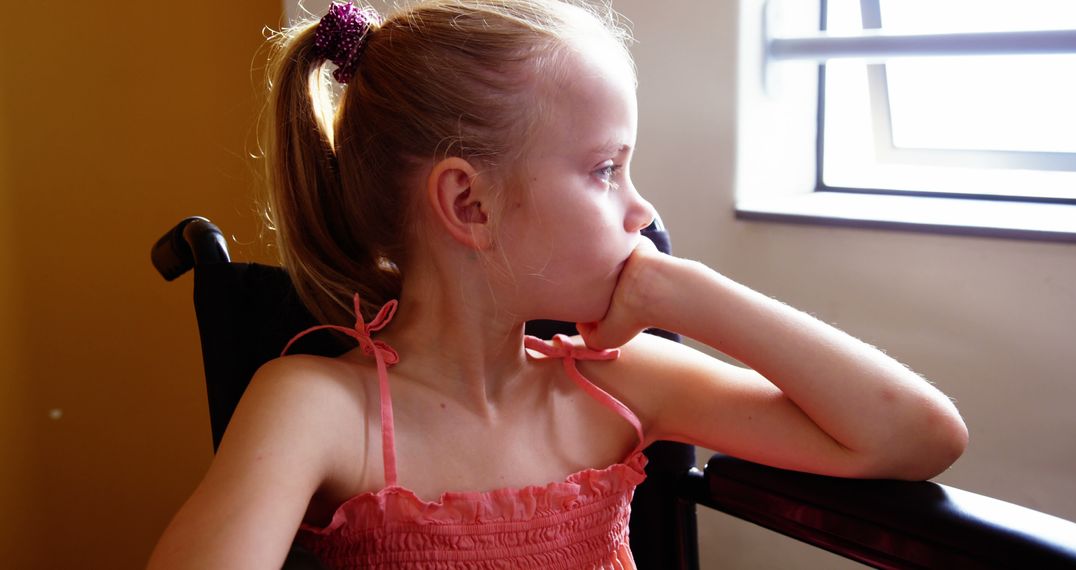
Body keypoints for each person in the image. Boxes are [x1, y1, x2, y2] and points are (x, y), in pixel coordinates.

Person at [148, 0, 968, 568]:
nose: (641, 208)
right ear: (468, 203)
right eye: (606, 169)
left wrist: (688, 292)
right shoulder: (320, 408)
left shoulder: (619, 387)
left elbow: (916, 436)